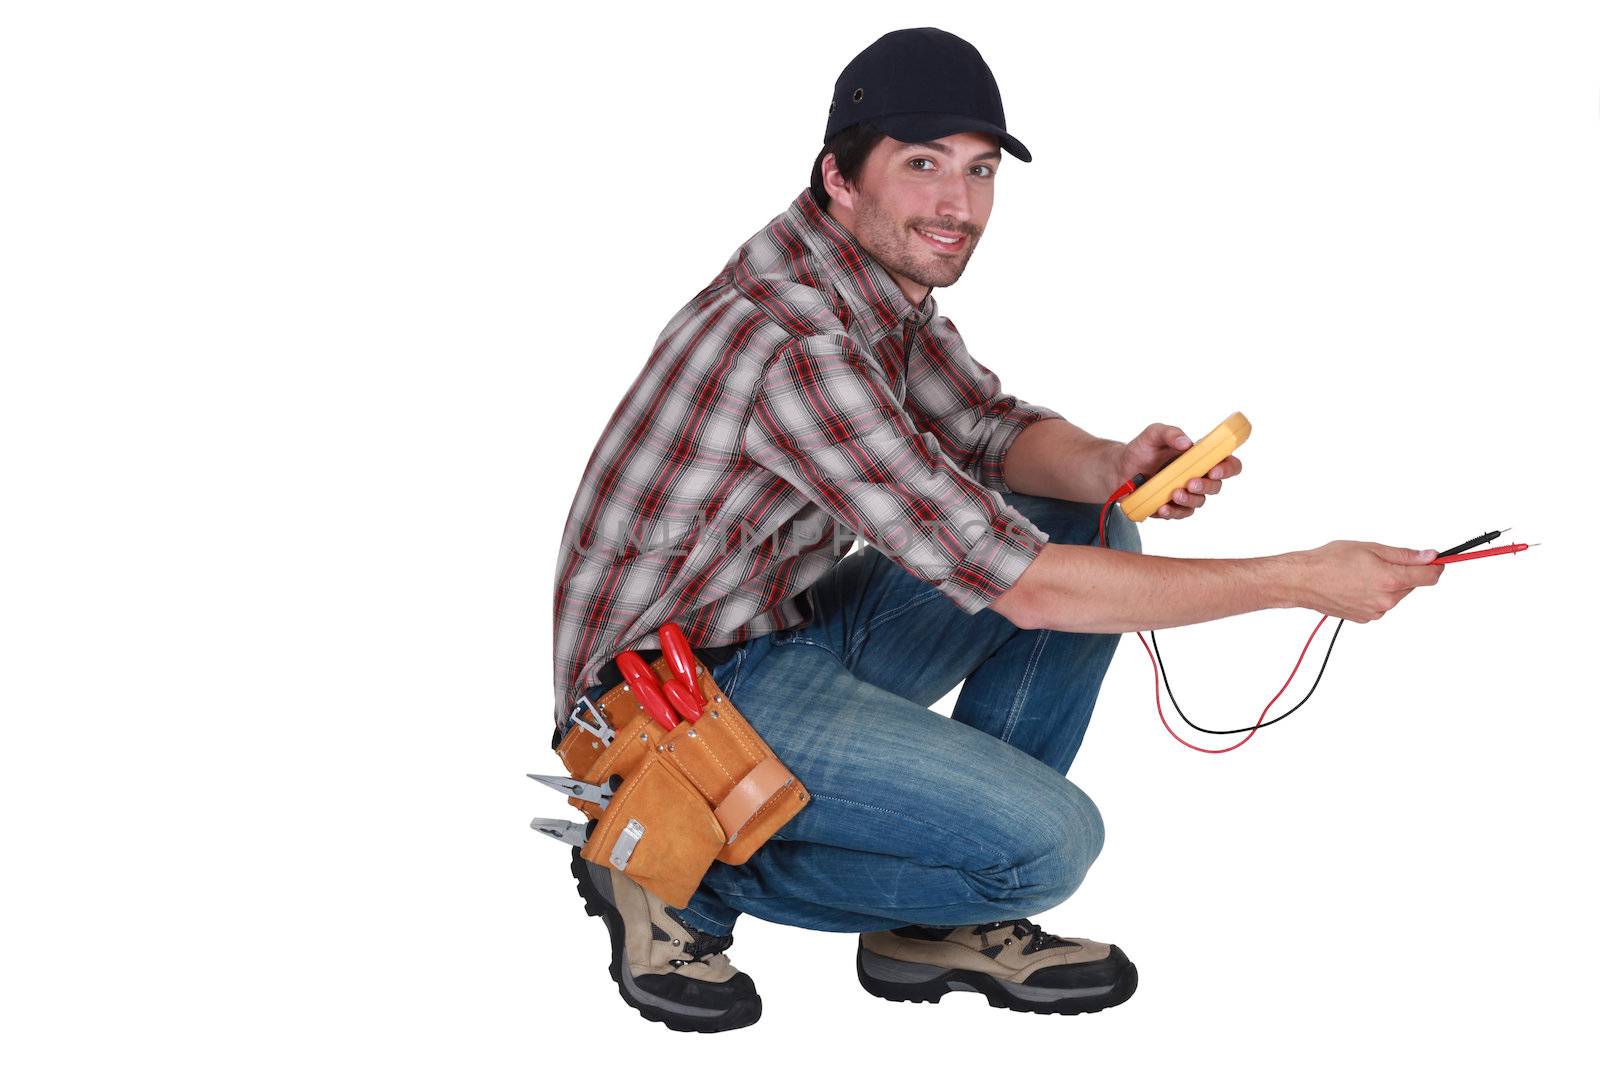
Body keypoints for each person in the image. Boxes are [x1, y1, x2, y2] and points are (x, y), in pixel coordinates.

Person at [547, 27, 1443, 1033]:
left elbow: (982, 427)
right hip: (671, 701)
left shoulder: (868, 283)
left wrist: (1110, 466)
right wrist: (1299, 577)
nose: (956, 206)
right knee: (1046, 846)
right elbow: (1025, 585)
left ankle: (925, 924)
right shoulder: (796, 338)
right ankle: (657, 860)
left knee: (1080, 516)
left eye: (977, 171)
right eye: (922, 166)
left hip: (776, 633)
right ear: (839, 177)